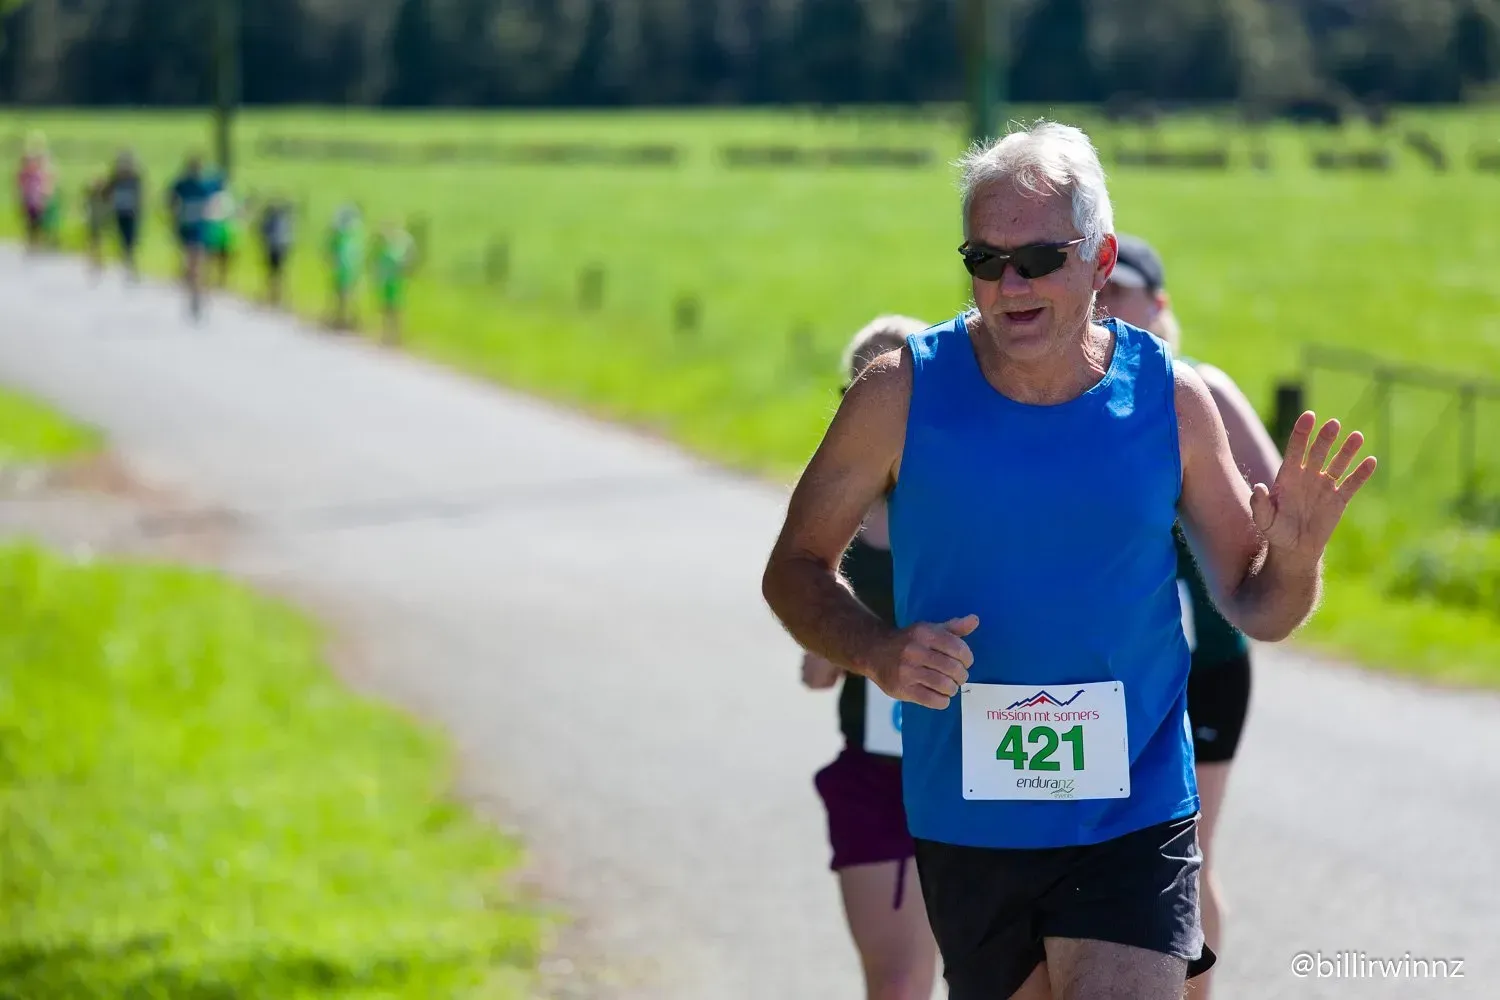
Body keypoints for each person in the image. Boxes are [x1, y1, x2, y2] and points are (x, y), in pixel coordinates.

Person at [760, 120, 1377, 1000]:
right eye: (984, 257)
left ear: (1100, 257)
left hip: (1135, 818)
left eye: (1040, 258)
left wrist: (1299, 556)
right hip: (969, 818)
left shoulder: (1171, 399)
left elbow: (1259, 608)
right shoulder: (901, 392)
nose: (1008, 284)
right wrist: (877, 651)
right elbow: (794, 565)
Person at [1097, 234, 1282, 1000]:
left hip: (1204, 667)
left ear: (1160, 304)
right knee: (1103, 856)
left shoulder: (1196, 387)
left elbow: (1280, 507)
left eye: (1125, 289)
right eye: (1099, 287)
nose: (1108, 303)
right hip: (1110, 676)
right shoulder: (1078, 403)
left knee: (1187, 849)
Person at [804, 315, 941, 1000]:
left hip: (978, 774)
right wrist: (851, 647)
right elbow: (816, 667)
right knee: (898, 984)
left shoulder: (972, 511)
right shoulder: (838, 523)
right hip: (877, 778)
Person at [166, 154, 224, 319]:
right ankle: (195, 291)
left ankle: (199, 293)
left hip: (202, 230)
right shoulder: (183, 185)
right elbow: (170, 198)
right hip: (186, 230)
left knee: (199, 263)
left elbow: (221, 184)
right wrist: (175, 214)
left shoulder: (206, 185)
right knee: (192, 264)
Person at [370, 219, 417, 344]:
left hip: (397, 282)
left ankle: (397, 336)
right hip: (387, 282)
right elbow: (379, 263)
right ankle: (386, 335)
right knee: (386, 308)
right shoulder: (384, 245)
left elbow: (407, 261)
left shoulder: (402, 243)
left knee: (396, 309)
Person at [102, 149, 144, 280]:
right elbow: (105, 194)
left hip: (131, 213)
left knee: (131, 239)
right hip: (120, 212)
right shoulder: (115, 178)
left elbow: (140, 195)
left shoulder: (135, 178)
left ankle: (130, 263)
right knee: (123, 239)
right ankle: (127, 263)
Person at [327, 204, 364, 330]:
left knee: (349, 296)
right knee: (342, 296)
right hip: (343, 270)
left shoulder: (352, 235)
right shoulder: (342, 236)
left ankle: (351, 321)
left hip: (349, 270)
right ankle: (342, 319)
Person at [16, 135, 55, 253]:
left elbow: (46, 182)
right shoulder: (25, 174)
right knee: (30, 222)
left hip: (38, 201)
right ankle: (31, 241)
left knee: (38, 222)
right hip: (29, 201)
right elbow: (20, 186)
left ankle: (37, 242)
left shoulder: (39, 173)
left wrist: (46, 195)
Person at [258, 195, 296, 307]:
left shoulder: (276, 220)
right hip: (275, 249)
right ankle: (274, 296)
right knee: (274, 274)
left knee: (276, 274)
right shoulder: (276, 220)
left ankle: (276, 296)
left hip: (277, 249)